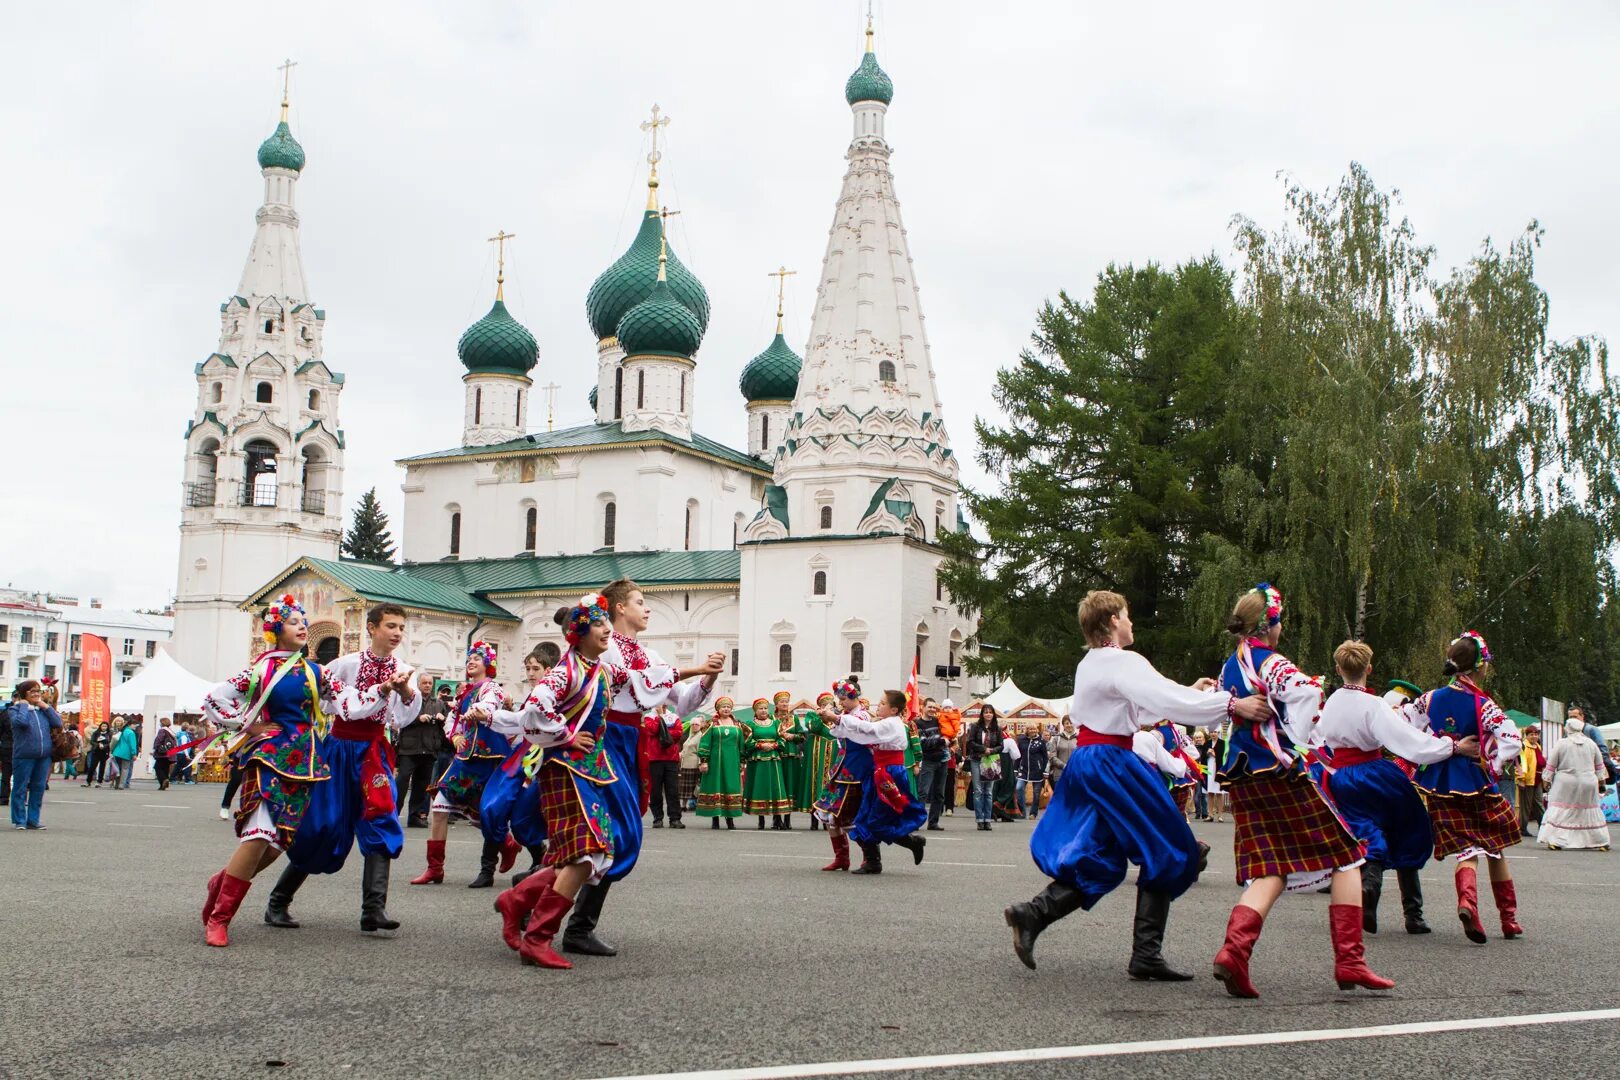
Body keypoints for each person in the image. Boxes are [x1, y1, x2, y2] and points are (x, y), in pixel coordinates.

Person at [1004, 590, 1270, 980]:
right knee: (1172, 849)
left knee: (1105, 856)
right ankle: (1145, 953)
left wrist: (1192, 694)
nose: (1131, 622)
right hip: (1113, 763)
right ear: (1112, 620)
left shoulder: (1090, 663)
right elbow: (1158, 696)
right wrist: (1230, 705)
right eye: (1126, 615)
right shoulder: (1121, 660)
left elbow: (1140, 703)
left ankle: (1034, 914)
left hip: (1092, 761)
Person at [1211, 584, 1389, 998]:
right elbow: (1306, 691)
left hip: (1242, 773)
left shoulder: (1228, 667)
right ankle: (1350, 961)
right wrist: (1300, 733)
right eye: (1280, 622)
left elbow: (1224, 707)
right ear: (1269, 624)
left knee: (1271, 865)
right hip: (1278, 769)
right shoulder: (1270, 661)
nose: (1281, 629)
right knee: (1348, 855)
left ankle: (1233, 952)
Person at [570, 578, 722, 958]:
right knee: (612, 833)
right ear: (619, 608)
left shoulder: (650, 654)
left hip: (630, 741)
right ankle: (567, 920)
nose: (648, 608)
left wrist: (709, 676)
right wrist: (691, 668)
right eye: (640, 601)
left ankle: (551, 909)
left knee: (614, 834)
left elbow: (681, 704)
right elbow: (630, 681)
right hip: (602, 738)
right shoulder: (603, 649)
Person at [262, 603, 423, 935]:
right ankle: (278, 901)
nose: (397, 633)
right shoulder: (344, 664)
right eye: (390, 626)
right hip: (338, 750)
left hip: (375, 753)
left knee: (380, 820)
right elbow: (322, 702)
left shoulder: (404, 669)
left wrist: (404, 689)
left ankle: (373, 910)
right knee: (323, 826)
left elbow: (405, 718)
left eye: (401, 628)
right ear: (372, 628)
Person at [488, 596, 627, 968]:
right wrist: (564, 736)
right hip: (566, 767)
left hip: (588, 769)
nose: (607, 630)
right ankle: (537, 937)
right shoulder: (566, 671)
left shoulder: (599, 669)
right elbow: (535, 706)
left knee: (585, 853)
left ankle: (517, 901)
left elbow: (646, 683)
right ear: (577, 633)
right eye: (599, 625)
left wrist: (696, 673)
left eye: (607, 624)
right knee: (588, 853)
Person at [197, 596, 345, 946]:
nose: (302, 627)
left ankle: (222, 880)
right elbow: (214, 699)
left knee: (278, 843)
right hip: (269, 756)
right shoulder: (260, 669)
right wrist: (248, 725)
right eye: (294, 622)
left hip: (307, 760)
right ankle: (220, 918)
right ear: (276, 629)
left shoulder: (317, 671)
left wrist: (386, 690)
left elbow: (348, 701)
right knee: (261, 834)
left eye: (304, 623)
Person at [1316, 640, 1478, 936]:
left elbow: (1314, 738)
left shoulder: (1330, 703)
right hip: (1373, 773)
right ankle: (1412, 913)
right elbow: (1408, 742)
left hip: (1338, 777)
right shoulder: (1374, 704)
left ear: (1338, 669)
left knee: (1364, 830)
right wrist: (1454, 746)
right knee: (1408, 828)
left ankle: (1368, 886)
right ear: (1369, 668)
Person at [1403, 631, 1526, 944]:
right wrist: (1494, 765)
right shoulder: (1483, 704)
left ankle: (1468, 902)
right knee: (1495, 847)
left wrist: (1442, 745)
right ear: (1481, 666)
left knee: (1467, 850)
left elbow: (1404, 727)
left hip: (1440, 782)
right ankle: (1508, 919)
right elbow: (1512, 740)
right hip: (1476, 780)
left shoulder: (1429, 699)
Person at [410, 641, 521, 889]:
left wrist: (477, 711)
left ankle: (506, 843)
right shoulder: (465, 693)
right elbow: (453, 720)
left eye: (477, 659)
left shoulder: (492, 688)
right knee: (439, 805)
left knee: (483, 812)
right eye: (469, 659)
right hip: (465, 758)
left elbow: (489, 705)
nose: (471, 662)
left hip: (488, 757)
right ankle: (435, 868)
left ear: (488, 665)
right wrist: (455, 735)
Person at [829, 688, 928, 873]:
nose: (878, 706)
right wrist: (838, 723)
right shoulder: (886, 722)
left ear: (894, 710)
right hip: (881, 772)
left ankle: (910, 843)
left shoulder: (891, 723)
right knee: (865, 817)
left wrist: (839, 719)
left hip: (890, 774)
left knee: (876, 819)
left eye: (883, 703)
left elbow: (867, 729)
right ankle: (874, 861)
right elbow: (861, 736)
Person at [1539, 716, 1612, 850]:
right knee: (1590, 810)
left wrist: (1546, 782)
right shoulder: (1591, 744)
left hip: (1566, 782)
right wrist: (1601, 783)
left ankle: (1556, 840)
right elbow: (1600, 767)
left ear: (1568, 729)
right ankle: (1601, 841)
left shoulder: (1562, 743)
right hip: (1588, 781)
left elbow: (1551, 765)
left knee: (1561, 809)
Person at [8, 680, 63, 831]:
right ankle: (20, 820)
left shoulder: (42, 711)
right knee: (20, 788)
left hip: (43, 756)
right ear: (24, 693)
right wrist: (24, 705)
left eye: (38, 691)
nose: (37, 694)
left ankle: (33, 819)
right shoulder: (15, 710)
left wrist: (46, 706)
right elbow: (22, 723)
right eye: (32, 691)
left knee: (38, 788)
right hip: (24, 755)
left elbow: (58, 723)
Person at [396, 672, 447, 828]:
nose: (427, 685)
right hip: (409, 749)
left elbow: (447, 724)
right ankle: (392, 813)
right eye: (424, 683)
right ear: (418, 684)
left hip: (429, 749)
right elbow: (399, 719)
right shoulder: (410, 701)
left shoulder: (438, 703)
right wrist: (418, 718)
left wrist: (442, 718)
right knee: (402, 782)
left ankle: (415, 816)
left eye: (430, 683)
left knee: (421, 785)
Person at [740, 697, 791, 830]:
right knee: (760, 787)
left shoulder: (776, 723)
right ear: (755, 711)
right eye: (760, 709)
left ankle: (778, 819)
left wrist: (773, 745)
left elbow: (782, 740)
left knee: (775, 787)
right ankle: (760, 819)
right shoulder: (750, 725)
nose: (763, 711)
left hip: (773, 759)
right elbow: (747, 742)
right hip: (757, 760)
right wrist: (760, 745)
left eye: (765, 708)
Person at [696, 697, 744, 829]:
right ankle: (715, 818)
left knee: (730, 786)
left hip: (732, 761)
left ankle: (730, 819)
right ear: (718, 709)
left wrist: (742, 761)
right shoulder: (712, 724)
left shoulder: (737, 724)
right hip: (715, 761)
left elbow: (741, 745)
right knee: (715, 786)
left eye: (728, 706)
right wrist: (704, 761)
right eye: (723, 707)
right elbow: (705, 742)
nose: (726, 709)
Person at [642, 704, 685, 830]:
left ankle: (675, 819)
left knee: (673, 790)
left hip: (671, 758)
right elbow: (652, 730)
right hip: (654, 758)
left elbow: (678, 733)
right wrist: (660, 717)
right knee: (655, 790)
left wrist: (663, 727)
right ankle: (657, 818)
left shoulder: (674, 716)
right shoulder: (648, 717)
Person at [964, 704, 1003, 831]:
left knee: (989, 792)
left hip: (990, 761)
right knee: (978, 790)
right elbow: (970, 742)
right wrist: (983, 749)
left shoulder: (997, 728)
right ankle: (980, 819)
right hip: (977, 760)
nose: (988, 714)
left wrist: (991, 750)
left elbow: (1001, 746)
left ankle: (988, 819)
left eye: (990, 712)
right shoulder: (975, 727)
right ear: (982, 714)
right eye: (985, 712)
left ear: (993, 714)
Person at [915, 698, 950, 830]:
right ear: (923, 707)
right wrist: (941, 741)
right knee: (923, 792)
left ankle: (933, 822)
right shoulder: (917, 724)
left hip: (943, 760)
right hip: (928, 761)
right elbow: (923, 743)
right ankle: (917, 822)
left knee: (939, 794)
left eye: (934, 707)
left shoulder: (938, 721)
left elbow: (948, 735)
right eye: (929, 707)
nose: (932, 710)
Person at [775, 692, 803, 830]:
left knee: (789, 785)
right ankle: (776, 818)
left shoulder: (794, 718)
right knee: (778, 785)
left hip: (791, 755)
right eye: (782, 702)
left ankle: (787, 819)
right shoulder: (771, 718)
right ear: (776, 704)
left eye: (787, 701)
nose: (785, 704)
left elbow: (802, 737)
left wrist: (793, 736)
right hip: (776, 755)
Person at [1516, 726, 1546, 835]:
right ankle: (1522, 828)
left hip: (1537, 780)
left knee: (1539, 803)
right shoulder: (1524, 746)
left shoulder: (1538, 746)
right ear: (1526, 736)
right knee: (1526, 806)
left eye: (1536, 734)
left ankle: (1544, 826)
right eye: (1531, 734)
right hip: (1527, 780)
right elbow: (1521, 764)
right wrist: (1521, 779)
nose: (1534, 737)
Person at [1017, 722, 1050, 821]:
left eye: (1034, 729)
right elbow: (1019, 755)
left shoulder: (1041, 741)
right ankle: (1022, 811)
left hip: (1037, 771)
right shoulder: (1021, 740)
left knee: (1036, 794)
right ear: (1027, 730)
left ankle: (1033, 813)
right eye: (1030, 729)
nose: (1032, 731)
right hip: (1024, 770)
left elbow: (1045, 757)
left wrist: (1045, 770)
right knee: (1019, 788)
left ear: (1037, 730)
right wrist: (1015, 768)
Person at [937, 699, 963, 816]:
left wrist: (954, 745)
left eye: (949, 707)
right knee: (938, 785)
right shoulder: (939, 719)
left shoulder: (955, 719)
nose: (947, 710)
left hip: (950, 760)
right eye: (945, 707)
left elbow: (957, 738)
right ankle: (939, 807)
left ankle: (949, 807)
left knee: (949, 784)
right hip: (939, 756)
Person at [678, 713, 708, 812]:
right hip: (685, 764)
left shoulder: (701, 736)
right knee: (685, 786)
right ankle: (683, 805)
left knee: (694, 786)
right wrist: (680, 754)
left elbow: (701, 750)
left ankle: (698, 804)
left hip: (694, 764)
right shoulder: (690, 735)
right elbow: (685, 748)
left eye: (697, 724)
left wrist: (701, 763)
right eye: (693, 724)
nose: (694, 726)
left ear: (700, 725)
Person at [110, 717, 138, 791]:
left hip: (117, 752)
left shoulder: (123, 731)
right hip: (126, 753)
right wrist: (134, 754)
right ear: (129, 725)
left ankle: (117, 782)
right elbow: (132, 745)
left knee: (118, 769)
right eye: (134, 724)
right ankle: (121, 784)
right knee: (125, 769)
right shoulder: (131, 733)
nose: (135, 726)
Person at [152, 718, 178, 791]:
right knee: (165, 768)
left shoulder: (162, 730)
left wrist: (156, 747)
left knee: (158, 768)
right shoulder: (171, 732)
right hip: (170, 753)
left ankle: (164, 780)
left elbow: (159, 740)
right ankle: (163, 783)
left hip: (162, 753)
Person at [84, 722, 111, 788]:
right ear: (100, 726)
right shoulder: (96, 733)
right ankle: (88, 781)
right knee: (92, 766)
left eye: (105, 726)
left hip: (104, 752)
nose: (104, 727)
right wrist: (97, 744)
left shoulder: (109, 734)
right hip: (96, 751)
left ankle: (99, 782)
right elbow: (92, 741)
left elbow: (110, 742)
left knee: (102, 767)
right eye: (102, 726)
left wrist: (104, 746)